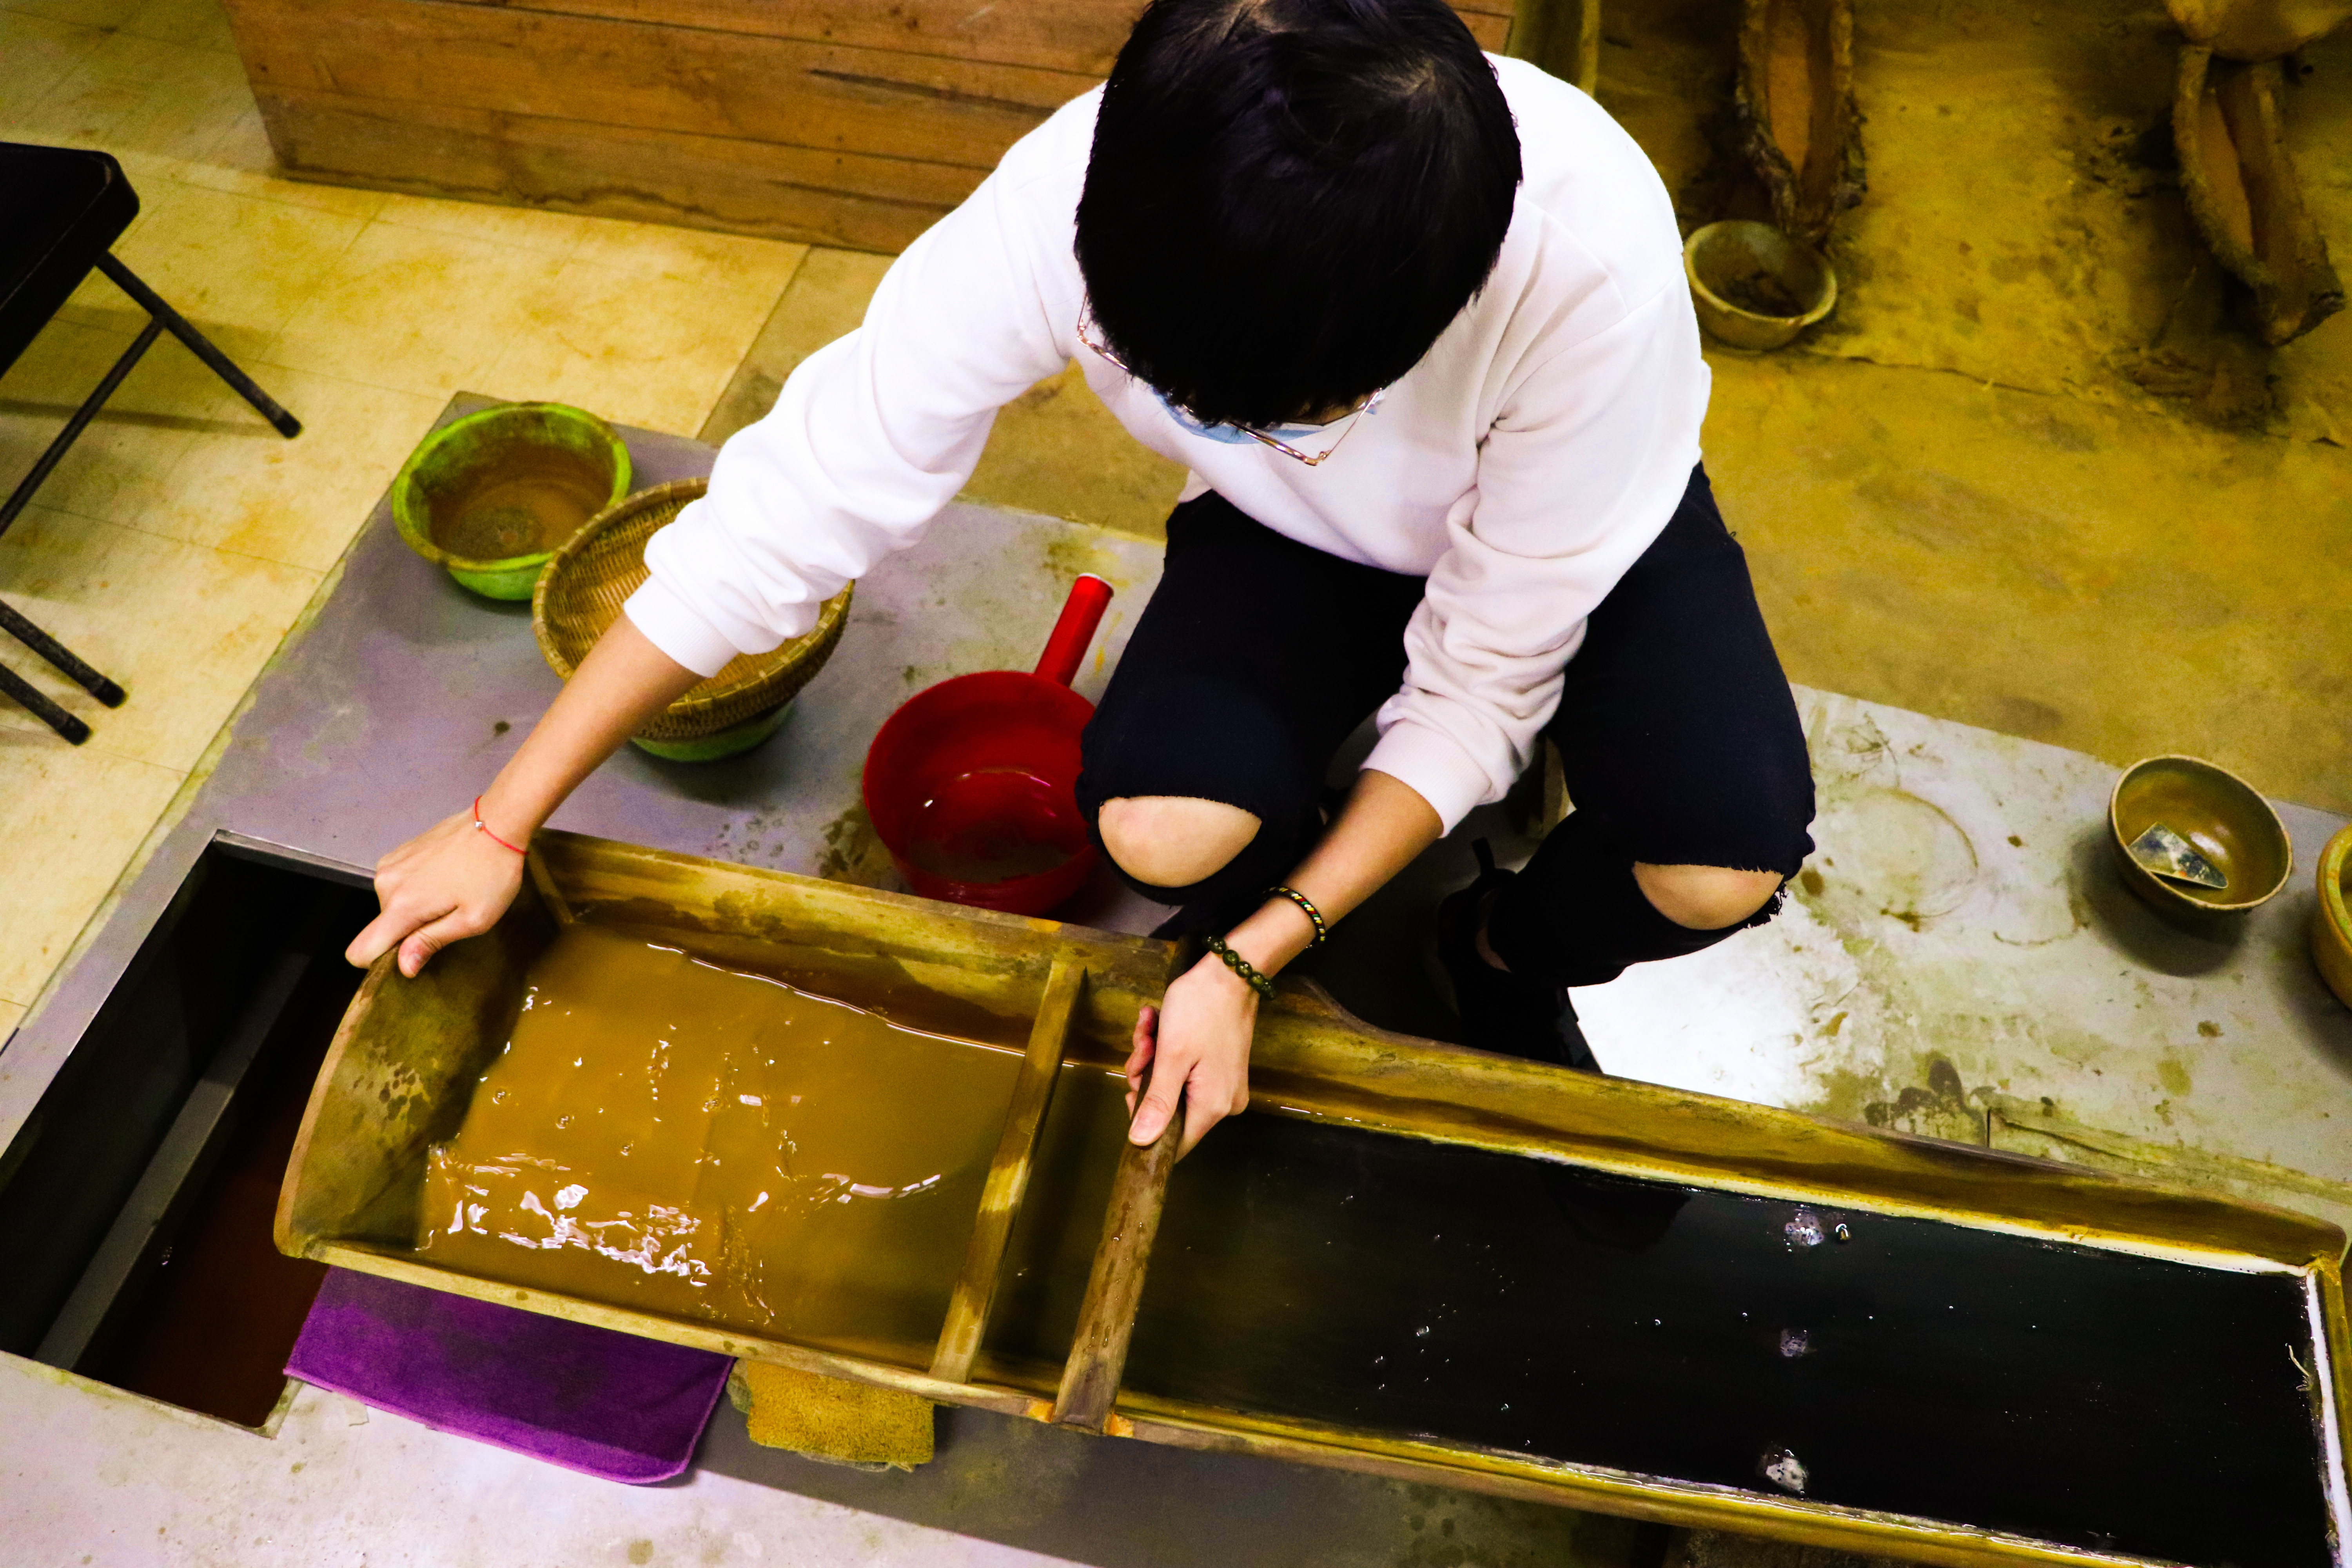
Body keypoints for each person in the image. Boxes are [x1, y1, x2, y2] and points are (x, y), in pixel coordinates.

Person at [346, 0, 1815, 1162]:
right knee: (1164, 831)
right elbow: (804, 494)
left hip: (1572, 535)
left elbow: (1483, 679)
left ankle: (1483, 948)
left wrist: (1252, 961)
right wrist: (500, 817)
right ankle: (1266, 915)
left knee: (1714, 862)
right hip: (1298, 533)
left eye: (1268, 414)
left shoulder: (1586, 277)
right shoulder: (1099, 181)